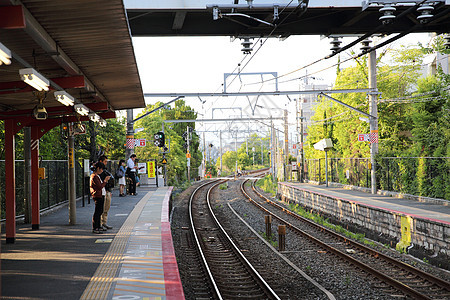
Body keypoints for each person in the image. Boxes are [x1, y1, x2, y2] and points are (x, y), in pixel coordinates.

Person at [90, 162, 110, 234]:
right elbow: (99, 187)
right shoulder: (94, 176)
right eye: (101, 169)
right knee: (98, 212)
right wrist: (105, 181)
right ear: (98, 168)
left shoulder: (96, 176)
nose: (102, 171)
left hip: (100, 195)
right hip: (98, 195)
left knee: (100, 211)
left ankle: (98, 226)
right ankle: (95, 227)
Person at [98, 155, 113, 230]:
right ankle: (100, 224)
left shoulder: (105, 170)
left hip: (107, 191)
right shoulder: (98, 172)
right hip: (102, 192)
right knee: (101, 209)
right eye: (105, 161)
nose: (106, 163)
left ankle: (104, 222)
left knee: (106, 208)